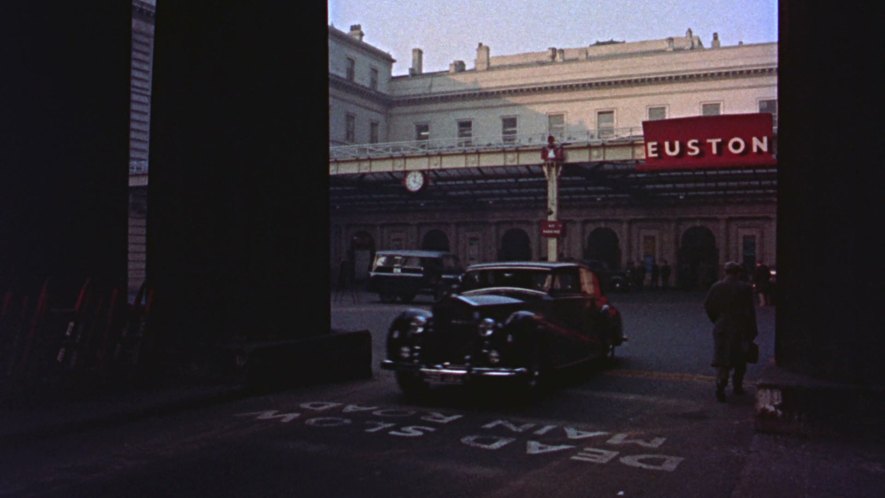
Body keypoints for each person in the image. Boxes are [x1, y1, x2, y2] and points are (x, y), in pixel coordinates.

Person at [703, 261, 758, 402]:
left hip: (722, 326)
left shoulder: (716, 287)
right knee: (740, 358)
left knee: (722, 359)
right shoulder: (745, 288)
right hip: (741, 326)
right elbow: (750, 311)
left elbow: (708, 306)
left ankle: (721, 385)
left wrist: (717, 320)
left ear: (725, 272)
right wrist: (752, 330)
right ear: (738, 273)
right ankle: (737, 385)